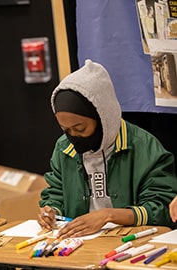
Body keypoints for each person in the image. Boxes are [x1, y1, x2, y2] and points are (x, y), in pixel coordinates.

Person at [38, 59, 177, 239]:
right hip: (78, 242)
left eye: (80, 129)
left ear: (104, 117)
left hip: (130, 241)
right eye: (66, 130)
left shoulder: (143, 146)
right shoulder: (64, 148)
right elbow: (55, 192)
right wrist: (51, 211)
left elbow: (163, 209)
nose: (73, 137)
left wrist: (108, 215)